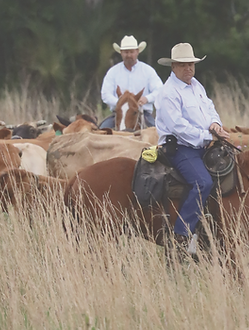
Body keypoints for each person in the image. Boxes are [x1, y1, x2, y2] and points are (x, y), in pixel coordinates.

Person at [154, 42, 232, 256]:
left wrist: (215, 125)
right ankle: (181, 235)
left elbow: (209, 108)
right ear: (173, 67)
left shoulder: (196, 85)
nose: (188, 68)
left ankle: (211, 231)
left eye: (191, 64)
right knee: (202, 182)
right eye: (183, 65)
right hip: (180, 148)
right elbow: (178, 127)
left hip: (204, 143)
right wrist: (207, 136)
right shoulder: (168, 93)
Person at [99, 35, 163, 129]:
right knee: (102, 132)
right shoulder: (113, 72)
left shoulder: (148, 71)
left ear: (137, 52)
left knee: (157, 135)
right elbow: (105, 94)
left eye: (131, 52)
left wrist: (147, 98)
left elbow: (160, 90)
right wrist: (121, 104)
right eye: (126, 52)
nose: (129, 55)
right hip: (118, 114)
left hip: (143, 113)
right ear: (121, 53)